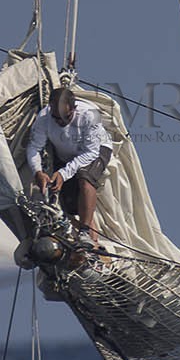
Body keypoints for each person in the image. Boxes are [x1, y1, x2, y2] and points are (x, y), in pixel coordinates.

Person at [26, 85, 114, 243]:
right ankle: (90, 245)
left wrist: (63, 174)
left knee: (85, 179)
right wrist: (37, 171)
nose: (61, 122)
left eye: (66, 117)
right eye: (56, 118)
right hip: (65, 156)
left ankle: (85, 232)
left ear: (74, 108)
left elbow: (91, 153)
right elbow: (34, 147)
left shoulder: (89, 116)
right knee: (69, 203)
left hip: (96, 150)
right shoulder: (44, 118)